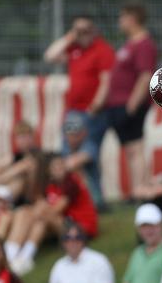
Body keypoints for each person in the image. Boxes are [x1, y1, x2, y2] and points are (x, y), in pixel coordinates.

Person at [44, 14, 115, 209]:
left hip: (90, 112)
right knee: (71, 153)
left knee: (87, 154)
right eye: (78, 30)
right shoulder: (74, 48)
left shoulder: (102, 49)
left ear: (93, 30)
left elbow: (106, 80)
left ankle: (92, 199)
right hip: (73, 111)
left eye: (85, 30)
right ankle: (84, 198)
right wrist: (70, 37)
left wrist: (96, 105)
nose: (82, 34)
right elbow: (50, 56)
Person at [5, 153, 98, 275]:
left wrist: (33, 213)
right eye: (55, 167)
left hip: (80, 228)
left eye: (61, 165)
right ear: (50, 171)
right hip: (61, 223)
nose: (59, 169)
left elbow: (57, 209)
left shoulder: (71, 182)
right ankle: (22, 257)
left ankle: (11, 253)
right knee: (36, 220)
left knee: (34, 213)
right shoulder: (52, 186)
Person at [104, 1, 157, 198]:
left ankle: (140, 188)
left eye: (123, 17)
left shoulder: (144, 44)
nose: (120, 21)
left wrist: (133, 104)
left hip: (130, 104)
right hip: (117, 103)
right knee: (129, 148)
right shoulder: (130, 43)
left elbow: (145, 75)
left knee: (136, 146)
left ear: (133, 19)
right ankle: (136, 188)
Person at [60, 112, 105, 211]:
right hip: (73, 194)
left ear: (84, 133)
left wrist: (59, 167)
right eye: (70, 134)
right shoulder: (65, 147)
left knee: (76, 170)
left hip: (93, 196)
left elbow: (73, 163)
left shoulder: (90, 145)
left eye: (76, 134)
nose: (73, 138)